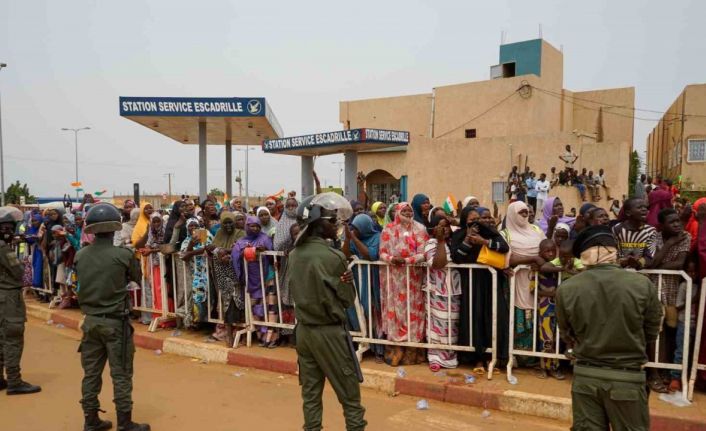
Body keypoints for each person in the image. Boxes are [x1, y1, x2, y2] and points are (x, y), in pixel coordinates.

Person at [556, 225, 662, 431]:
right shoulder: (642, 284)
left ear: (583, 256)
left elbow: (566, 333)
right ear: (614, 252)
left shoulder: (567, 288)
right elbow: (651, 331)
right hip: (627, 377)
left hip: (585, 376)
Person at [288, 192, 367, 431]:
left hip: (304, 332)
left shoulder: (294, 254)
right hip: (330, 333)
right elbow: (346, 299)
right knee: (350, 398)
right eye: (332, 221)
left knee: (311, 395)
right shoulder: (333, 257)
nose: (337, 226)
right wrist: (346, 281)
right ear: (319, 225)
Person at [74, 203, 150, 430]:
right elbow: (137, 277)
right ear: (115, 227)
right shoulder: (123, 255)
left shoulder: (80, 255)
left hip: (90, 322)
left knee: (91, 374)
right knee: (121, 374)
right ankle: (125, 423)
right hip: (115, 323)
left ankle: (90, 419)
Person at [450, 206, 509, 372]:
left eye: (478, 220)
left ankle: (494, 357)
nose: (476, 224)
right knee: (474, 318)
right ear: (464, 221)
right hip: (471, 282)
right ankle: (477, 359)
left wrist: (483, 241)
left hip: (491, 280)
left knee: (494, 317)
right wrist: (468, 241)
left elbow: (503, 247)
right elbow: (457, 258)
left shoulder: (489, 231)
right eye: (471, 221)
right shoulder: (459, 235)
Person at [379, 202, 428, 366]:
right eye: (404, 210)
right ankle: (396, 346)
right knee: (396, 310)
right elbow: (382, 252)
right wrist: (393, 260)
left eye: (410, 210)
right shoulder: (388, 229)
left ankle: (413, 346)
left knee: (414, 309)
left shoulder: (420, 229)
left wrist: (406, 261)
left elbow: (423, 253)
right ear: (397, 212)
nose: (407, 213)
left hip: (413, 277)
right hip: (393, 279)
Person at [0, 206, 41, 395]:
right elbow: (17, 272)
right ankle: (14, 380)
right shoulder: (3, 248)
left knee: (2, 338)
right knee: (13, 338)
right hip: (8, 297)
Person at [502, 201, 546, 356]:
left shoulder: (536, 230)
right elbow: (506, 258)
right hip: (515, 282)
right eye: (521, 212)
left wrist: (540, 261)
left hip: (537, 280)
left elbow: (547, 251)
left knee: (538, 317)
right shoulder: (505, 234)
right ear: (512, 214)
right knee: (515, 318)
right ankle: (516, 357)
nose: (525, 215)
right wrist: (532, 259)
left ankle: (535, 356)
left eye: (526, 212)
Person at [538, 239, 583, 380]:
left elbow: (585, 274)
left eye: (553, 250)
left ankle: (570, 367)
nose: (551, 254)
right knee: (547, 338)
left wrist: (570, 271)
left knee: (568, 336)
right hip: (547, 308)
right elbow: (537, 286)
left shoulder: (576, 263)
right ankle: (545, 367)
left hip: (569, 308)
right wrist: (563, 270)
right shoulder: (549, 266)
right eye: (547, 251)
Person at [342, 213, 383, 359]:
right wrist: (347, 239)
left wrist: (353, 238)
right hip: (356, 279)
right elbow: (345, 254)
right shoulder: (351, 237)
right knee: (356, 310)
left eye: (357, 228)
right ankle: (361, 342)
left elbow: (370, 255)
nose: (354, 230)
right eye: (353, 228)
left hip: (371, 280)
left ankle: (377, 348)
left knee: (371, 310)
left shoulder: (377, 237)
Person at [424, 215, 461, 371]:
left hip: (454, 290)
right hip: (437, 291)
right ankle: (435, 357)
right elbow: (437, 263)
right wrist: (440, 241)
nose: (445, 229)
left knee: (451, 325)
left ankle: (451, 357)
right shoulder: (430, 243)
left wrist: (454, 222)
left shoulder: (453, 242)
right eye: (441, 226)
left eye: (446, 226)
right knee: (437, 326)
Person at [232, 216, 276, 346]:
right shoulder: (241, 242)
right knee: (255, 308)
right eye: (252, 226)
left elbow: (272, 256)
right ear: (247, 227)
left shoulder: (265, 238)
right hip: (251, 280)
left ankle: (271, 338)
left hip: (267, 278)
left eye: (257, 226)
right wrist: (244, 251)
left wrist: (264, 251)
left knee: (270, 307)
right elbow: (235, 257)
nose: (255, 228)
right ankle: (261, 336)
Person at [208, 211, 245, 346]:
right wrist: (220, 251)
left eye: (230, 222)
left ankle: (239, 336)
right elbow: (211, 247)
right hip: (222, 275)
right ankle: (229, 336)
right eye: (225, 223)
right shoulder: (218, 234)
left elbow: (240, 248)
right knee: (226, 303)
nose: (228, 225)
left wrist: (224, 251)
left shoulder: (240, 233)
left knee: (239, 303)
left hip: (236, 274)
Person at [669, 258, 698, 393]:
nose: (692, 275)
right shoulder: (684, 286)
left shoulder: (701, 285)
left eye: (694, 272)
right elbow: (678, 306)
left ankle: (690, 377)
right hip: (684, 322)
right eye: (689, 271)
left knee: (694, 352)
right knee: (681, 351)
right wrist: (693, 300)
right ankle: (675, 378)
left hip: (697, 324)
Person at [179, 218, 213, 328]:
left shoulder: (205, 235)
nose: (193, 228)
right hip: (195, 275)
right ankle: (198, 321)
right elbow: (184, 256)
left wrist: (191, 252)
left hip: (208, 272)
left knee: (210, 296)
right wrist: (191, 244)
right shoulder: (186, 241)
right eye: (190, 226)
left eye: (195, 226)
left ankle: (209, 321)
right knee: (197, 296)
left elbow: (208, 248)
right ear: (187, 228)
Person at [612, 197, 657, 270]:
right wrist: (623, 261)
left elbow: (650, 257)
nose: (644, 209)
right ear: (628, 213)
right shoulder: (617, 229)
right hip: (619, 271)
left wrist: (638, 263)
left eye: (645, 207)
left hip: (641, 272)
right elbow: (613, 253)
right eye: (639, 207)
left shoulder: (650, 231)